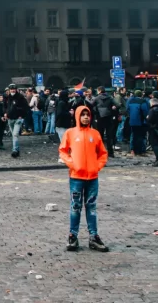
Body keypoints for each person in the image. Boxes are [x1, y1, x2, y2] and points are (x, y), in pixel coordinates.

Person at [59, 105, 109, 252]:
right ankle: (73, 236)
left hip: (92, 176)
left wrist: (97, 166)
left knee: (91, 207)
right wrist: (72, 164)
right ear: (77, 117)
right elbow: (63, 151)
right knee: (75, 206)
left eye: (88, 115)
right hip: (76, 176)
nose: (86, 117)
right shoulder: (70, 133)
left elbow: (103, 153)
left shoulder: (95, 134)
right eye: (83, 115)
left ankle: (93, 236)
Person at [93, 86, 120, 157]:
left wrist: (96, 111)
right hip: (109, 118)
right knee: (109, 136)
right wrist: (112, 108)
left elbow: (91, 106)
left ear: (99, 91)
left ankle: (99, 152)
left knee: (100, 136)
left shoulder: (97, 98)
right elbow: (118, 105)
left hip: (100, 118)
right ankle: (110, 153)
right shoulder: (110, 97)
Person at [4, 84, 29, 157]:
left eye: (14, 89)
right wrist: (5, 113)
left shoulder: (20, 97)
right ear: (9, 89)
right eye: (11, 89)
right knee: (14, 135)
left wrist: (21, 115)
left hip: (18, 119)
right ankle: (17, 150)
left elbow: (25, 107)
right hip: (9, 118)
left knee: (15, 134)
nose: (12, 90)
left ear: (16, 89)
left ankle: (14, 150)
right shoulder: (7, 97)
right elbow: (4, 106)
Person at [127, 90, 149, 156]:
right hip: (141, 121)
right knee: (141, 136)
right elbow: (145, 111)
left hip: (132, 121)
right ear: (141, 95)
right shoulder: (143, 101)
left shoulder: (130, 101)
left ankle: (132, 150)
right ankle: (141, 151)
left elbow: (127, 109)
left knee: (133, 135)